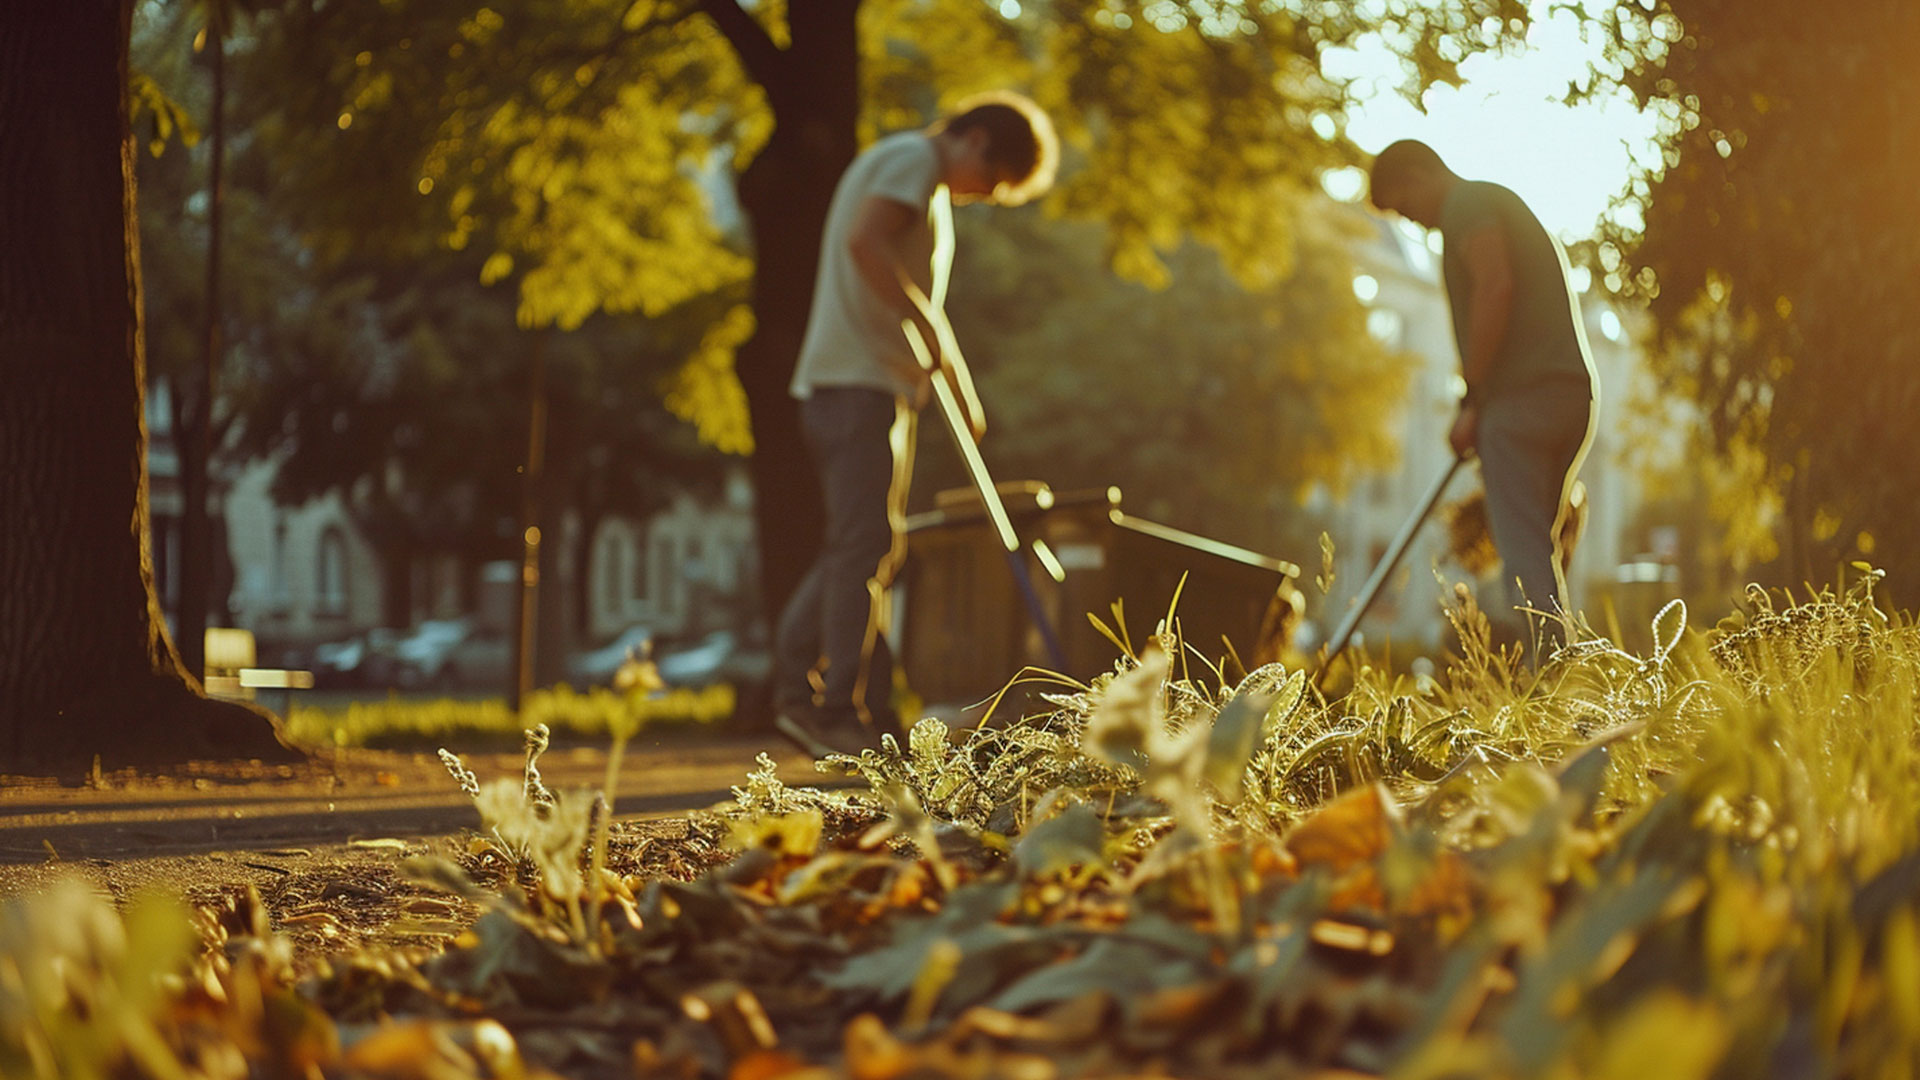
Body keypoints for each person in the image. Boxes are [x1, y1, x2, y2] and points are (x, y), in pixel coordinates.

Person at [774, 93, 1058, 756]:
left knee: (867, 544)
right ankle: (829, 708)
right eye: (993, 183)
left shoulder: (917, 178)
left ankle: (815, 696)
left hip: (870, 386)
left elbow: (917, 299)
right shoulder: (910, 161)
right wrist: (927, 329)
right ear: (978, 142)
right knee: (863, 544)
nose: (984, 196)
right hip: (855, 386)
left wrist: (957, 381)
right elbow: (865, 243)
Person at [1368, 139, 1599, 659]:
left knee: (1524, 561)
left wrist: (1473, 401)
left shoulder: (1465, 206)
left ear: (1418, 174)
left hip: (1521, 403)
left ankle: (1550, 694)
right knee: (1541, 553)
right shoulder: (1492, 200)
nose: (1412, 221)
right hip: (1570, 396)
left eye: (1404, 206)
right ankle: (1559, 681)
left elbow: (1496, 287)